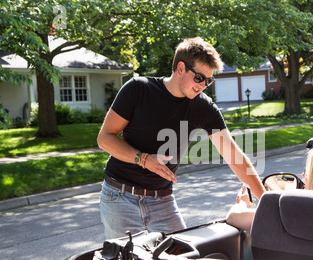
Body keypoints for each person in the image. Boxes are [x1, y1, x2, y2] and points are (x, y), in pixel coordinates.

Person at [97, 37, 264, 239]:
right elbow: (105, 138)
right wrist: (143, 159)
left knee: (182, 258)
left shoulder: (203, 107)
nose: (203, 85)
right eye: (200, 78)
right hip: (120, 195)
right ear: (181, 68)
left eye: (209, 80)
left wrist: (266, 202)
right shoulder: (138, 89)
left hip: (162, 200)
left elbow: (234, 156)